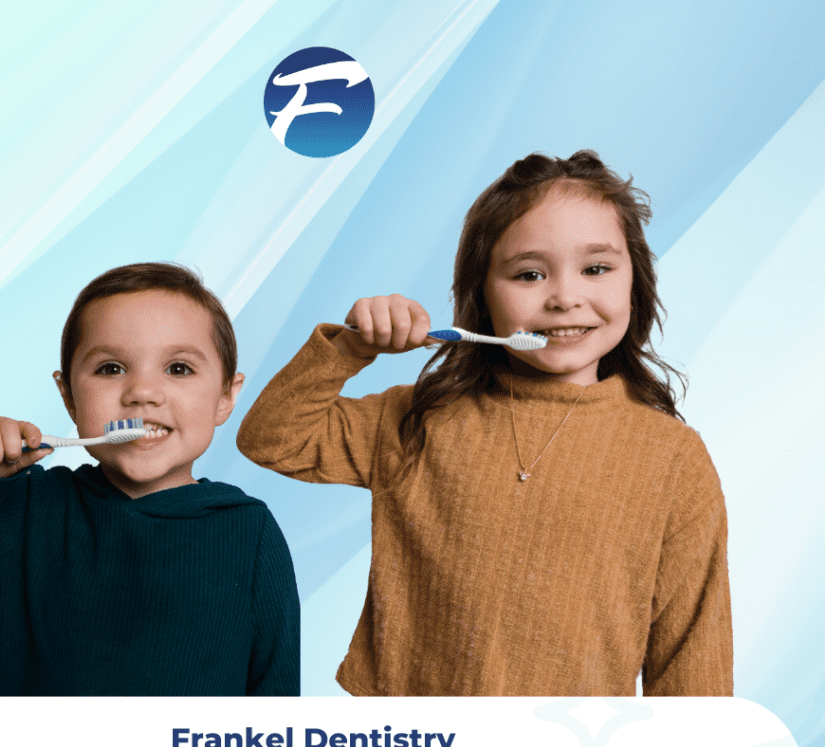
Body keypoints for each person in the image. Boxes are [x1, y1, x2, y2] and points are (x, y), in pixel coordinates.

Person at [236, 151, 731, 697]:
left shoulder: (671, 457)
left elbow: (694, 656)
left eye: (596, 268)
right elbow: (271, 438)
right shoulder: (418, 419)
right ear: (482, 294)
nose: (566, 297)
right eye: (529, 274)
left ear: (635, 283)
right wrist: (351, 347)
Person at [0, 263, 299, 696]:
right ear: (68, 396)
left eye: (178, 368)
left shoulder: (250, 532)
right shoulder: (25, 509)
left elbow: (275, 710)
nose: (142, 392)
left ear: (225, 397)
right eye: (110, 369)